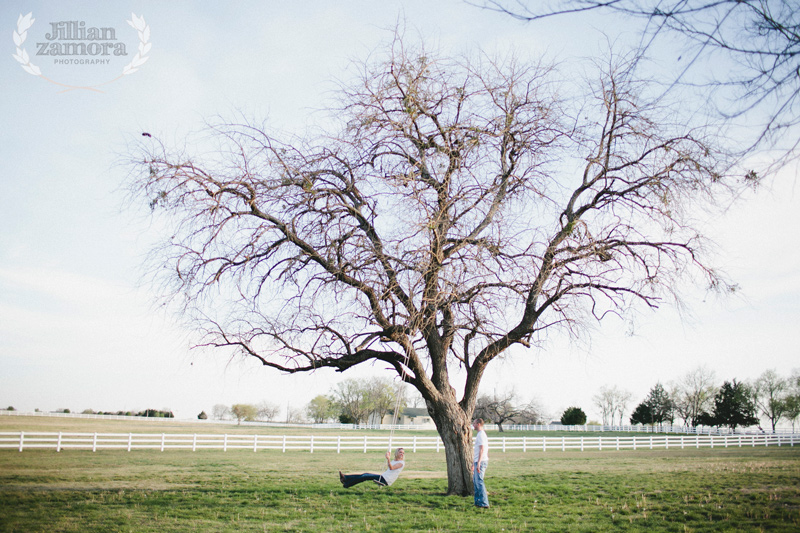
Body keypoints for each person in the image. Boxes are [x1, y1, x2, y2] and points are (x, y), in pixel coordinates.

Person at [339, 448, 405, 488]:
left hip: (386, 480)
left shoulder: (401, 463)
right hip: (383, 476)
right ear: (396, 453)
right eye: (400, 452)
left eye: (403, 453)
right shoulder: (395, 460)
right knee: (365, 475)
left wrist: (388, 459)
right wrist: (388, 457)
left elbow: (391, 468)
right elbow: (390, 466)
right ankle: (346, 479)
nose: (402, 454)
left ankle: (346, 481)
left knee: (365, 476)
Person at [472, 418, 489, 508]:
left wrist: (478, 463)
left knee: (479, 481)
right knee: (475, 482)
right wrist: (473, 463)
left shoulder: (481, 434)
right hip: (477, 461)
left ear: (478, 424)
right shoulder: (479, 434)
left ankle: (484, 503)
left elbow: (482, 449)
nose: (473, 425)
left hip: (481, 462)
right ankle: (478, 502)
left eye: (474, 423)